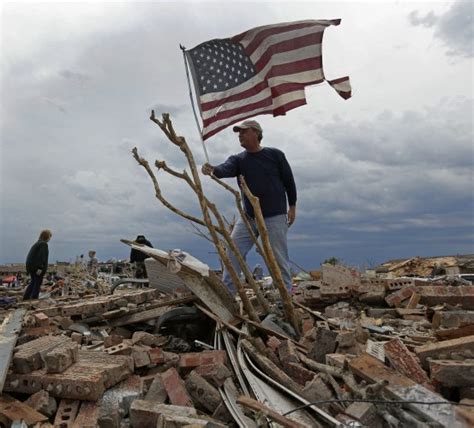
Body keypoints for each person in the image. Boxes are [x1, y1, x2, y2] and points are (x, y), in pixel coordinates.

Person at [201, 120, 297, 294]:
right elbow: (224, 169)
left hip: (274, 215)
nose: (240, 135)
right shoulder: (238, 159)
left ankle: (286, 293)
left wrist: (292, 207)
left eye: (244, 132)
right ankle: (229, 293)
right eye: (239, 133)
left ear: (256, 133)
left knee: (278, 256)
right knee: (233, 251)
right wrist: (212, 169)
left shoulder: (275, 155)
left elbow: (289, 181)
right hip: (249, 217)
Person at [23, 229, 52, 300]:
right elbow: (41, 258)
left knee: (33, 282)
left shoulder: (37, 243)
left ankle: (26, 297)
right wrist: (40, 269)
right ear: (47, 237)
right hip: (37, 268)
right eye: (50, 237)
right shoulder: (43, 244)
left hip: (31, 267)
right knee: (37, 282)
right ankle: (34, 299)